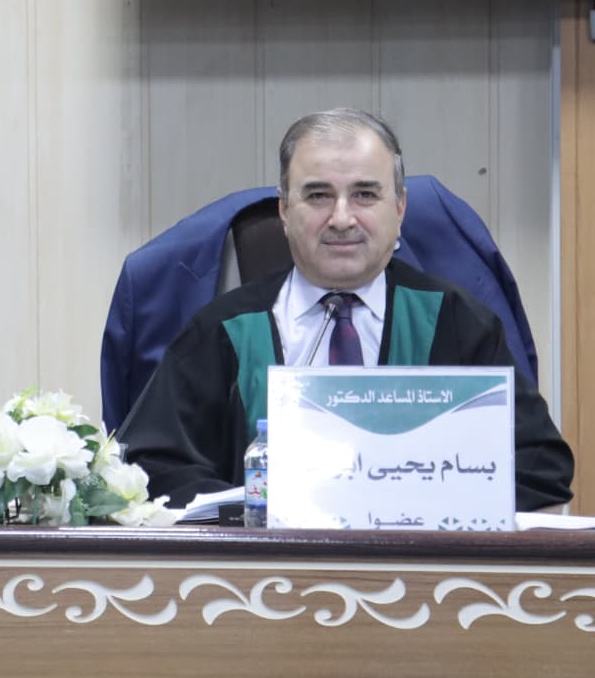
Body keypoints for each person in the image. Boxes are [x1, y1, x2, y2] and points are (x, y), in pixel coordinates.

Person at [119, 108, 574, 512]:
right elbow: (152, 467)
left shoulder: (456, 322)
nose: (341, 218)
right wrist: (262, 512)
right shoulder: (225, 330)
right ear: (284, 210)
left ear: (399, 207)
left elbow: (538, 470)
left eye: (365, 195)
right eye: (318, 195)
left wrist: (412, 506)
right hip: (265, 573)